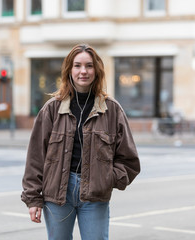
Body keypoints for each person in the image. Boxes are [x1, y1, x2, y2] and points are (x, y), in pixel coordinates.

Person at [21, 43, 141, 240]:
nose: (83, 71)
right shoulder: (52, 109)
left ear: (97, 70)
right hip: (57, 196)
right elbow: (36, 157)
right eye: (77, 66)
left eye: (89, 66)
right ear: (69, 70)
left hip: (94, 196)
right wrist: (33, 198)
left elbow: (129, 160)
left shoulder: (112, 110)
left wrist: (106, 179)